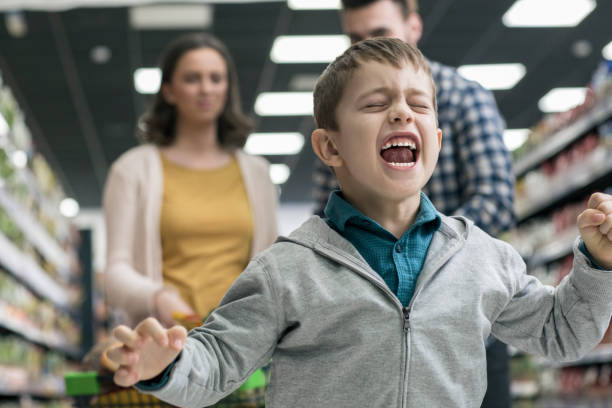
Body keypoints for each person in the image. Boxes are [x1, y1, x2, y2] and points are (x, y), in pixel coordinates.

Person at [106, 39, 612, 408]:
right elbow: (215, 362)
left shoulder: (483, 257)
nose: (401, 113)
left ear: (435, 138)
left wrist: (598, 264)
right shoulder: (287, 270)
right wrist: (166, 366)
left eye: (418, 104)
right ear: (330, 147)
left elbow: (561, 331)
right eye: (375, 104)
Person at [311, 1, 516, 404]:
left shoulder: (462, 97)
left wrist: (420, 248)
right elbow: (327, 212)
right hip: (372, 336)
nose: (366, 45)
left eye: (380, 33)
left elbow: (496, 198)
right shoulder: (341, 112)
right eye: (355, 37)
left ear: (415, 26)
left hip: (467, 329)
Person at [103, 32, 278, 328]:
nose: (206, 89)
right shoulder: (132, 171)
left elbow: (274, 264)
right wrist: (157, 297)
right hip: (166, 344)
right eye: (192, 79)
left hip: (244, 348)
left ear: (227, 88)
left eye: (216, 78)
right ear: (169, 91)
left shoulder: (257, 173)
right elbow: (114, 273)